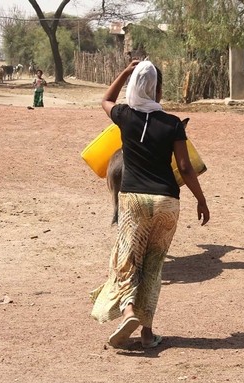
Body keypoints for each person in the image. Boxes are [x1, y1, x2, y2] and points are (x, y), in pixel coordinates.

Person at [90, 59, 210, 349]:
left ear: (133, 87)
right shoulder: (172, 124)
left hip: (134, 201)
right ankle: (146, 333)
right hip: (168, 201)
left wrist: (125, 72)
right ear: (157, 90)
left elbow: (105, 99)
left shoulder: (124, 116)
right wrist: (201, 199)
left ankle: (128, 311)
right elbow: (184, 166)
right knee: (154, 266)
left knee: (127, 260)